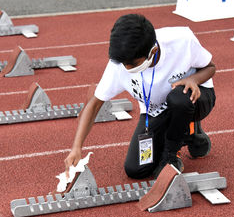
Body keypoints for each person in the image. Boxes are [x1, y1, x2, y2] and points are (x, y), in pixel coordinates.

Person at [64, 13, 216, 180]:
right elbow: (94, 105)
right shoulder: (119, 62)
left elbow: (210, 67)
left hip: (194, 98)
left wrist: (193, 80)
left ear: (153, 51)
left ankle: (172, 154)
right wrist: (76, 148)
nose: (127, 68)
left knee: (179, 100)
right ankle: (186, 130)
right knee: (136, 170)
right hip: (155, 110)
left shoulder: (182, 40)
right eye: (124, 64)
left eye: (134, 64)